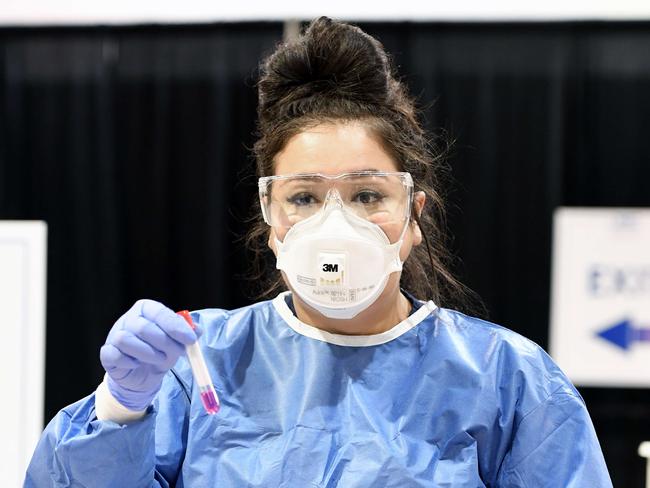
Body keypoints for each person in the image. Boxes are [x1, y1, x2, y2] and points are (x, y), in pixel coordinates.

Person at [25, 17, 612, 487]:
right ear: (270, 217)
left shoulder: (508, 383)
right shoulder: (197, 370)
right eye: (304, 196)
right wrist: (121, 410)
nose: (336, 225)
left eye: (366, 194)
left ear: (414, 217)